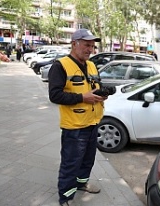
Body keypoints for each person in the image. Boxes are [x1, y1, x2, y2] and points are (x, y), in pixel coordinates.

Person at [48, 29, 106, 206]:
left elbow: (96, 85)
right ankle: (65, 197)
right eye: (86, 45)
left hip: (93, 122)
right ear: (74, 44)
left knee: (88, 160)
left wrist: (102, 93)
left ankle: (82, 184)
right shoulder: (60, 65)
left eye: (92, 46)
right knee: (70, 163)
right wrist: (83, 97)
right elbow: (55, 95)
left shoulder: (91, 65)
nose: (90, 49)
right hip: (74, 127)